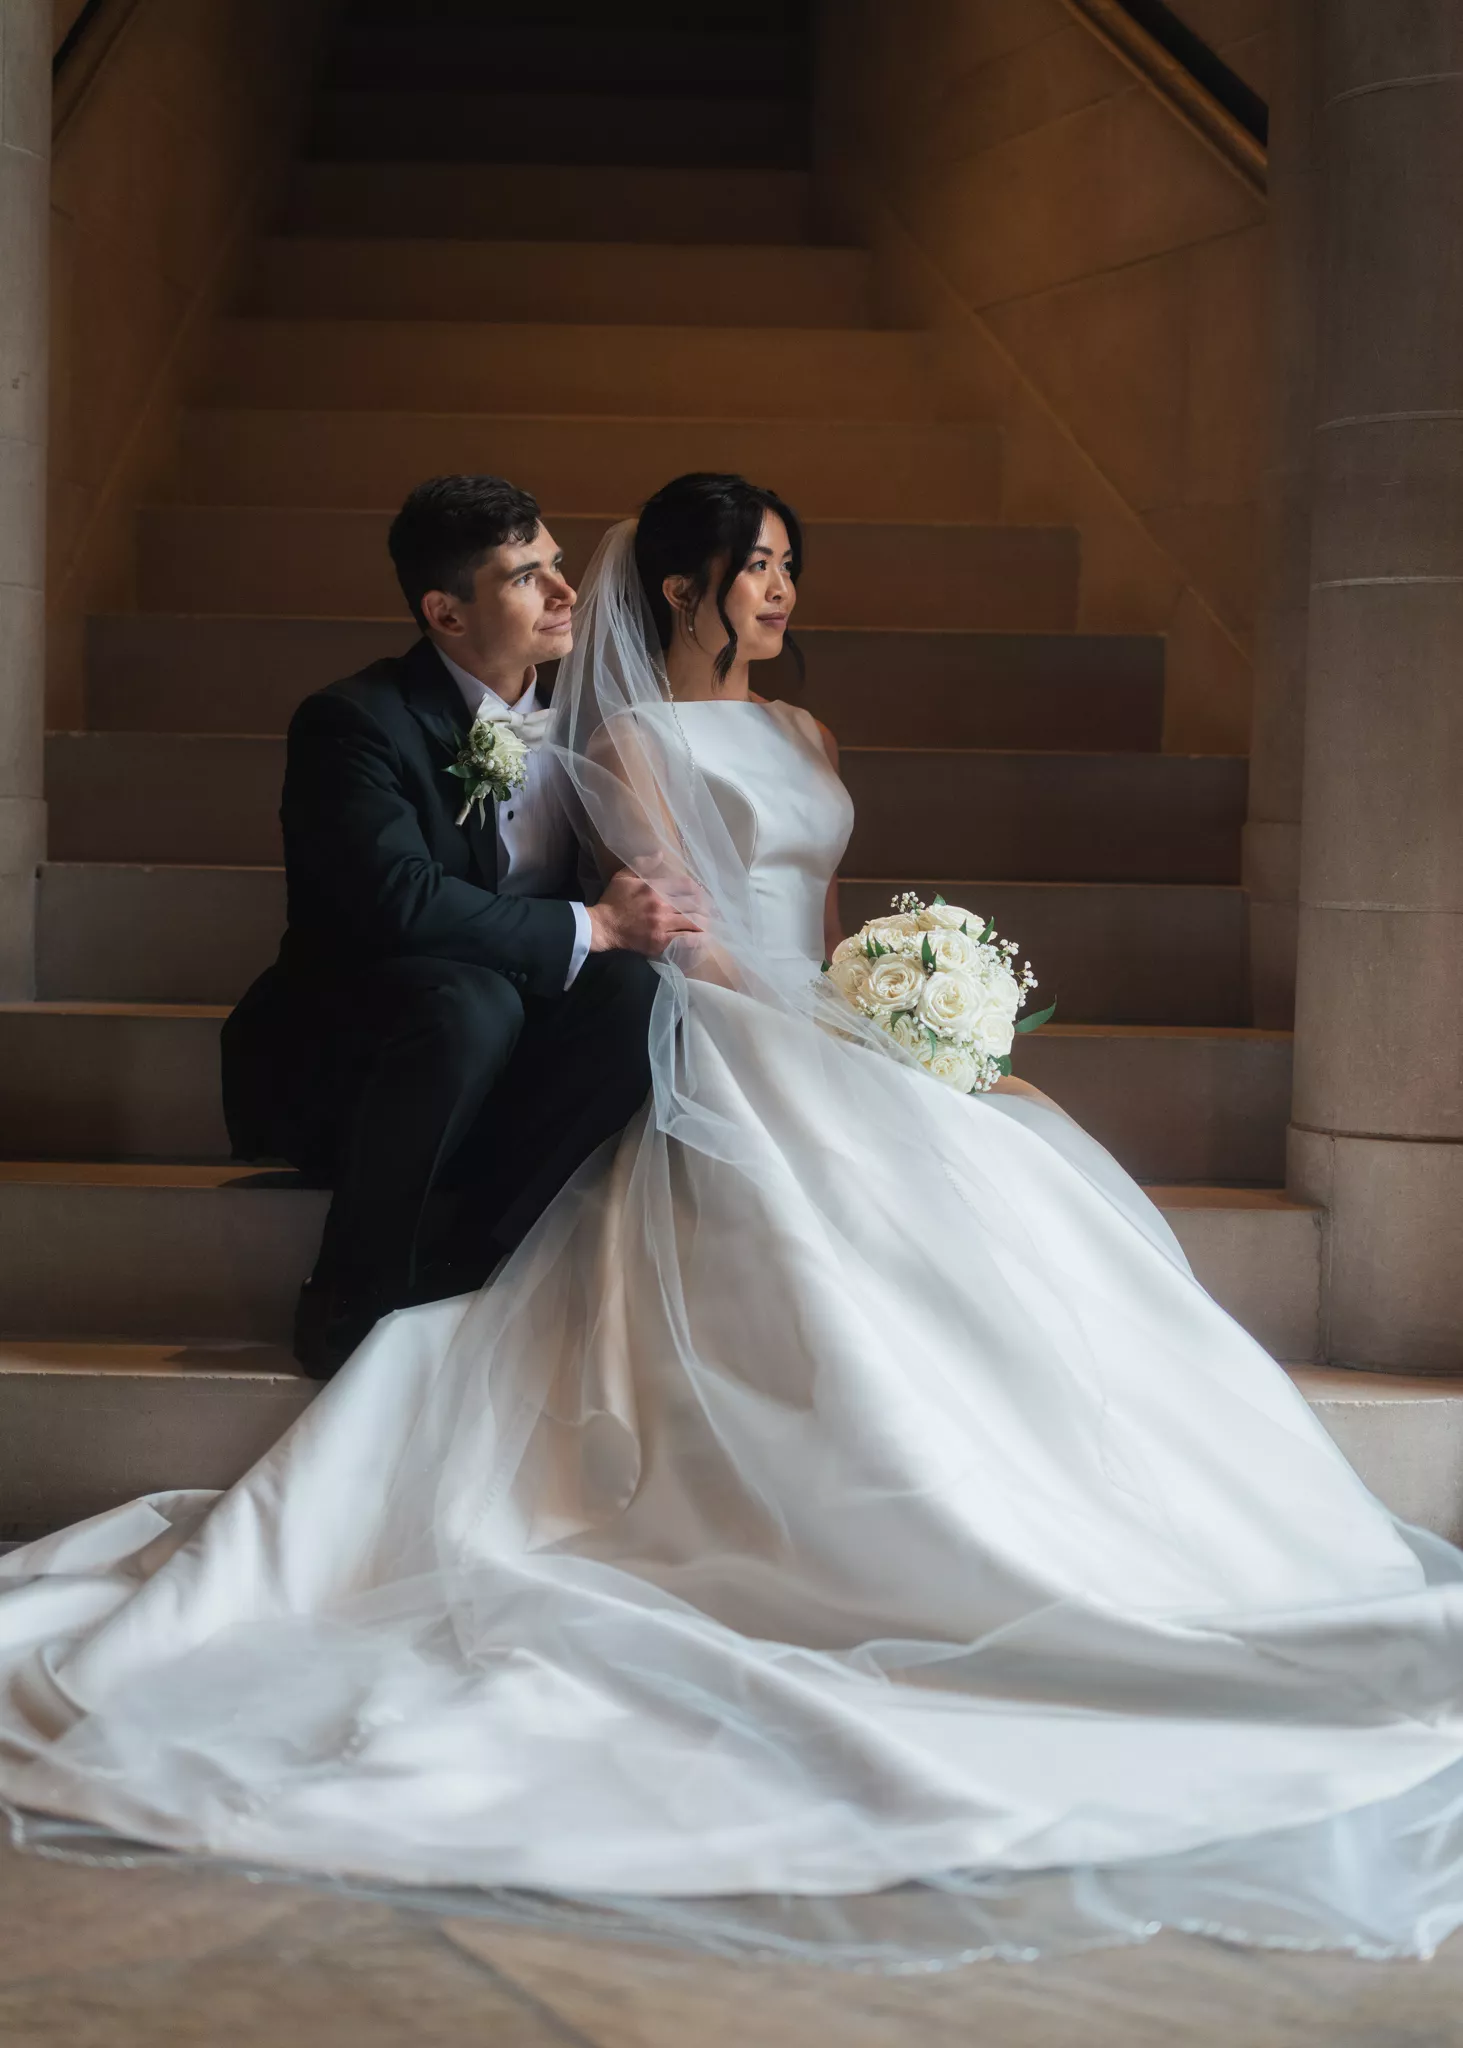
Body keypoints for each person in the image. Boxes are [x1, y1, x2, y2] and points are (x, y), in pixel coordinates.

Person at [0, 474, 1461, 1972]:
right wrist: (798, 1025)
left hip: (794, 1004)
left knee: (1002, 1155)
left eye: (785, 569)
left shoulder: (804, 734)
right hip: (680, 1012)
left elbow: (818, 920)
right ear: (684, 589)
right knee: (677, 1086)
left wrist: (901, 1016)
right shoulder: (584, 734)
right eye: (753, 568)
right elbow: (661, 926)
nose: (776, 592)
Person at [220, 475, 696, 1377]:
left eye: (558, 565)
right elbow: (398, 901)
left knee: (637, 993)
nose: (565, 592)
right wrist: (591, 924)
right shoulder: (355, 723)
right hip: (359, 1055)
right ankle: (349, 1297)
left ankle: (471, 1264)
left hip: (508, 1051)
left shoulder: (579, 723)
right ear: (445, 612)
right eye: (527, 577)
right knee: (471, 1000)